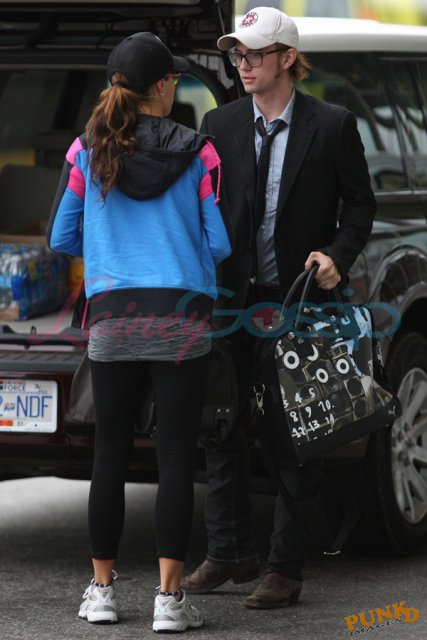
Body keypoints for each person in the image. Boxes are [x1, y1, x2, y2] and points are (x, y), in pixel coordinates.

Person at [181, 7, 377, 609]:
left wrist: (336, 255)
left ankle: (286, 569)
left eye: (255, 55)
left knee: (296, 434)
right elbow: (204, 205)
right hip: (231, 302)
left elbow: (360, 206)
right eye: (237, 55)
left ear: (287, 58)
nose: (242, 65)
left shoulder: (333, 124)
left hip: (299, 303)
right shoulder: (219, 123)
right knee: (221, 428)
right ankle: (228, 551)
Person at [47, 32, 232, 633]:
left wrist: (110, 246)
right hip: (182, 316)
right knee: (176, 457)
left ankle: (102, 592)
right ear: (161, 87)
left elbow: (61, 237)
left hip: (113, 315)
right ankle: (169, 602)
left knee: (110, 453)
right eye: (174, 78)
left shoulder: (86, 150)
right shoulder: (200, 152)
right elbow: (219, 242)